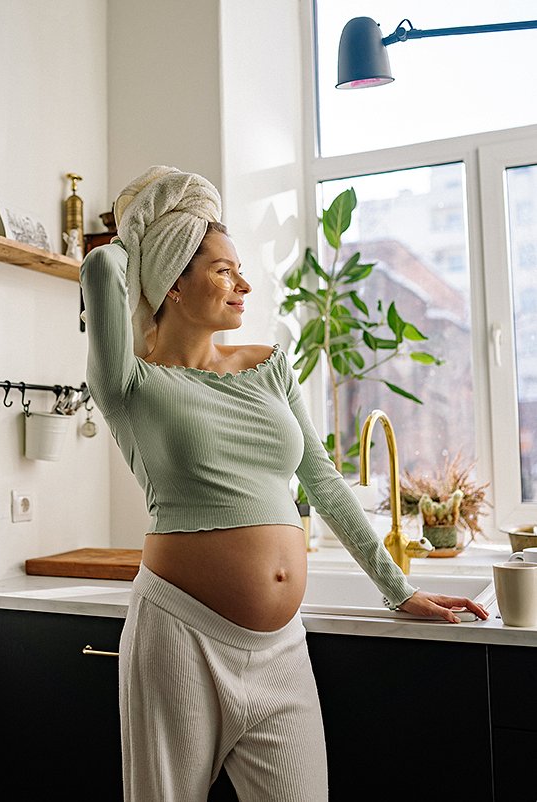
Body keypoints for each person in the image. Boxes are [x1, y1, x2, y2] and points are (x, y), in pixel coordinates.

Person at [80, 165, 489, 802]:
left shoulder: (270, 366)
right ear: (172, 284)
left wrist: (397, 589)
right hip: (180, 637)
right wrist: (148, 234)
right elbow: (103, 268)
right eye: (221, 270)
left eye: (239, 268)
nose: (243, 284)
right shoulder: (133, 385)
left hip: (281, 651)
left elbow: (322, 480)